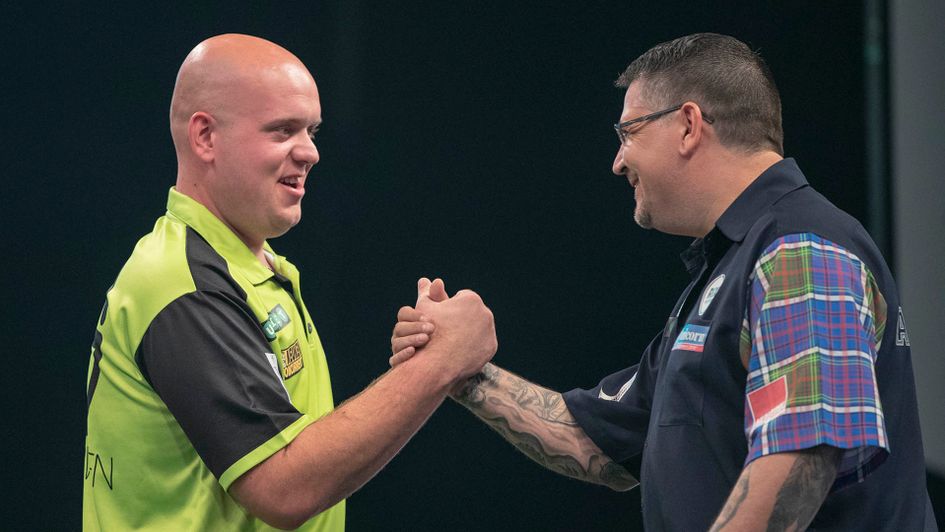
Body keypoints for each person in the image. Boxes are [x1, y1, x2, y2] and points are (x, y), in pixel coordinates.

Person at [392, 33, 938, 531]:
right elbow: (598, 443)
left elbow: (802, 456)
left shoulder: (799, 247)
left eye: (627, 132)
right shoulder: (729, 270)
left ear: (688, 124)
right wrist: (460, 369)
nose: (616, 161)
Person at [83, 34, 497, 531]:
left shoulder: (250, 266)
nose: (310, 153)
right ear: (205, 137)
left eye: (312, 131)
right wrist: (436, 366)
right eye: (282, 131)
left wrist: (426, 366)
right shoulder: (186, 284)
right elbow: (284, 488)